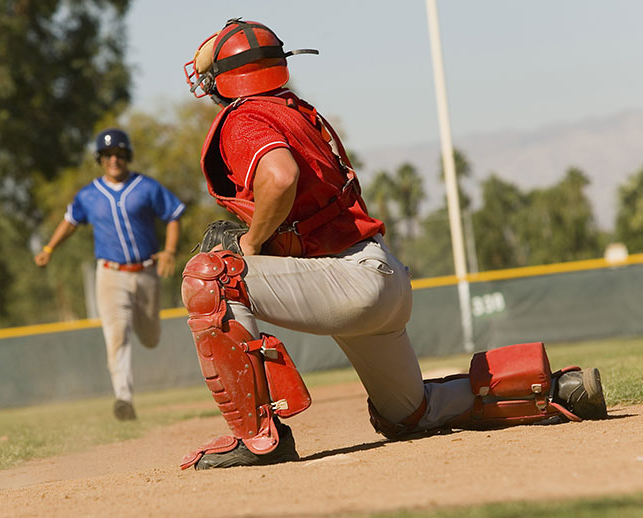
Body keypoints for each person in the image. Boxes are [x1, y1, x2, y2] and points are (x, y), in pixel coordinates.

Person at [177, 19, 607, 470]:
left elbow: (279, 177)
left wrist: (252, 241)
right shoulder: (294, 110)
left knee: (211, 276)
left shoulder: (245, 116)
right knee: (409, 412)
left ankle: (259, 439)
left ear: (221, 83)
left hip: (346, 282)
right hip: (378, 277)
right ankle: (559, 390)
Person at [34, 128, 185, 420]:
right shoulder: (89, 195)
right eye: (107, 155)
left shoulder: (146, 186)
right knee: (117, 334)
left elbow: (174, 215)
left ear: (127, 156)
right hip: (110, 273)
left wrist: (169, 250)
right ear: (100, 159)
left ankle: (129, 383)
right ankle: (124, 398)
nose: (114, 159)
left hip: (146, 272)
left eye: (119, 154)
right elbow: (70, 221)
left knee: (150, 337)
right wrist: (49, 248)